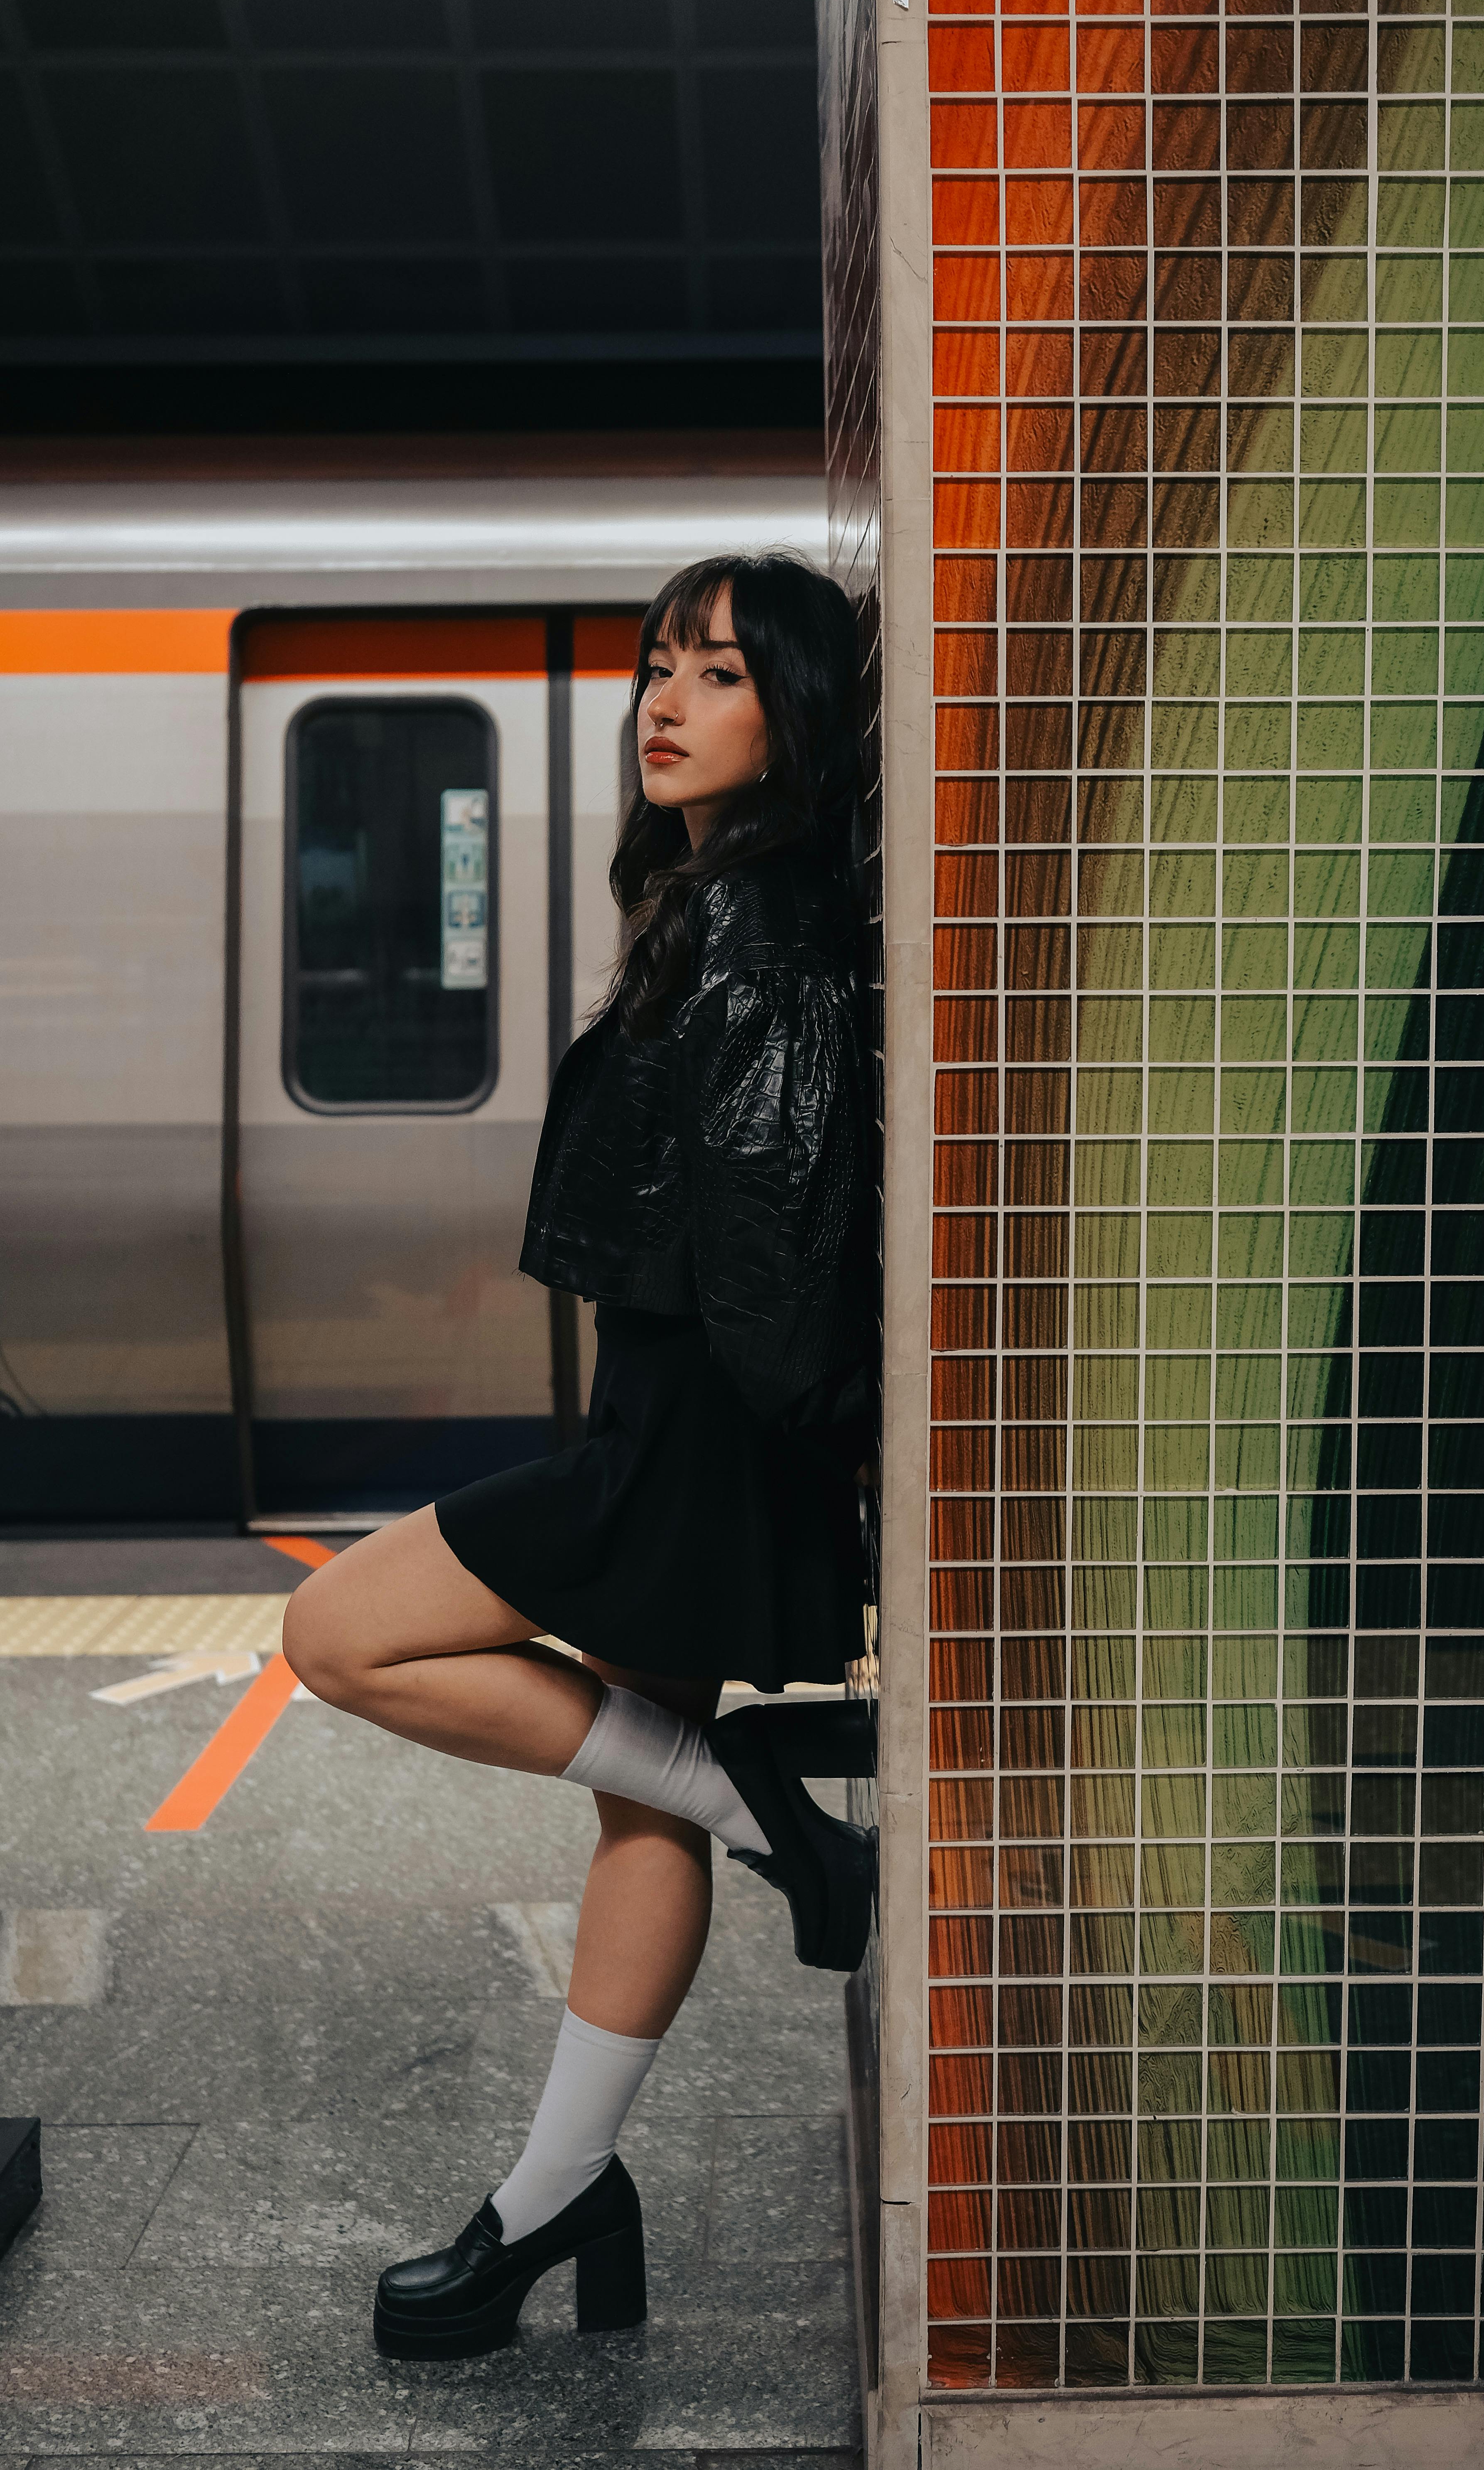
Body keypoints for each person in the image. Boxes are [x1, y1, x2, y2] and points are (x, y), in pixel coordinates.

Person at [282, 551, 877, 2361]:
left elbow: (774, 1254)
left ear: (798, 710)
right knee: (641, 1797)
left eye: (716, 673)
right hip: (679, 1418)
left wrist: (792, 1469)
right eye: (657, 668)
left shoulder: (768, 931)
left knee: (338, 1636)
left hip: (685, 1434)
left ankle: (757, 1803)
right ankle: (557, 2197)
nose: (664, 703)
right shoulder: (727, 905)